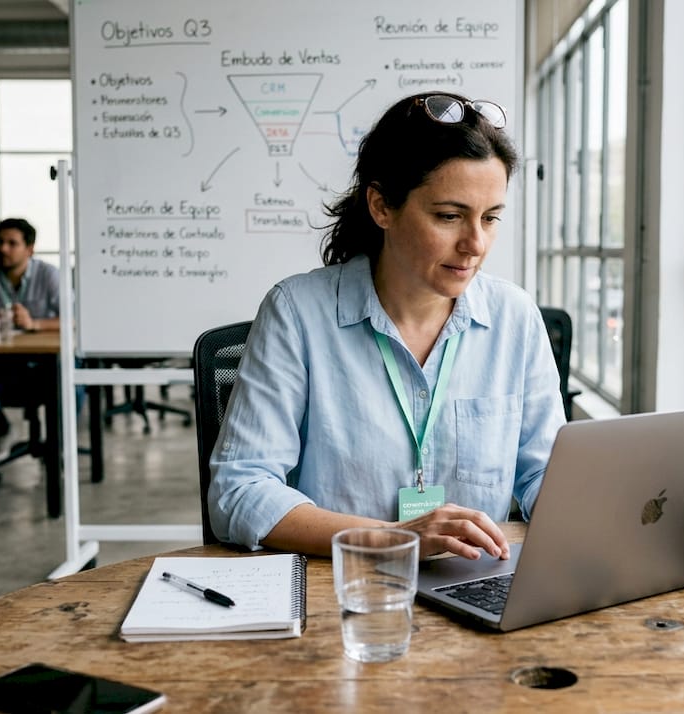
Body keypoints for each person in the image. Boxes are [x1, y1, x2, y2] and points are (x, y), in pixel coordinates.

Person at [208, 92, 566, 560]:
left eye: (490, 218)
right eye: (449, 216)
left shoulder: (514, 317)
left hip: (477, 586)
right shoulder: (296, 312)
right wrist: (395, 538)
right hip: (343, 590)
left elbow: (546, 476)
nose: (475, 244)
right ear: (381, 206)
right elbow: (239, 491)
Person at [0, 218, 62, 461]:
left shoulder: (50, 275)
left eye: (12, 243)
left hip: (44, 365)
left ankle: (58, 444)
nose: (3, 249)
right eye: (0, 242)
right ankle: (5, 431)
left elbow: (74, 320)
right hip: (2, 364)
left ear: (29, 249)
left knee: (72, 389)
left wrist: (34, 324)